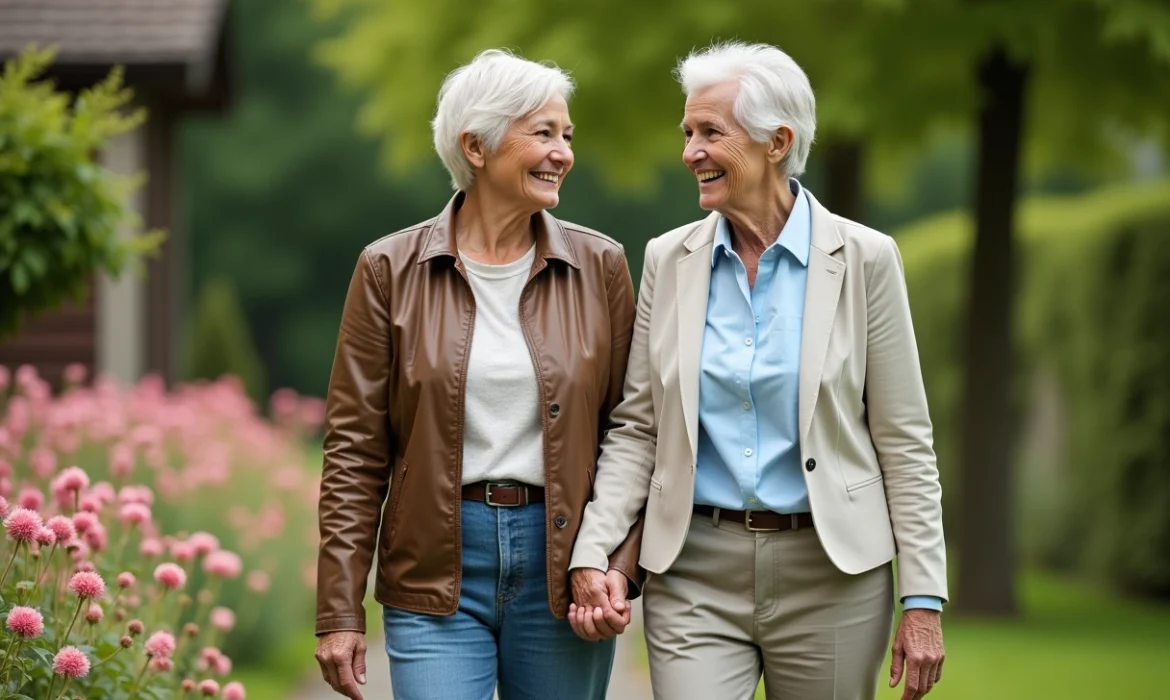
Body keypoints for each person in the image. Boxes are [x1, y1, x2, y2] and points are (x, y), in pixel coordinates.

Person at [568, 41, 948, 700]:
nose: (690, 151)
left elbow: (904, 440)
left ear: (777, 142)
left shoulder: (866, 260)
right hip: (693, 571)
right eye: (688, 132)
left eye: (710, 132)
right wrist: (594, 550)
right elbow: (638, 427)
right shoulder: (667, 258)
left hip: (832, 575)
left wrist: (923, 600)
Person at [313, 48, 642, 700]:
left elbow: (633, 433)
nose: (563, 153)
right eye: (543, 133)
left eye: (566, 135)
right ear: (478, 146)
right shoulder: (388, 269)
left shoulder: (601, 267)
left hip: (564, 562)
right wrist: (339, 610)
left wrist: (615, 568)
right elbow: (354, 451)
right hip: (435, 567)